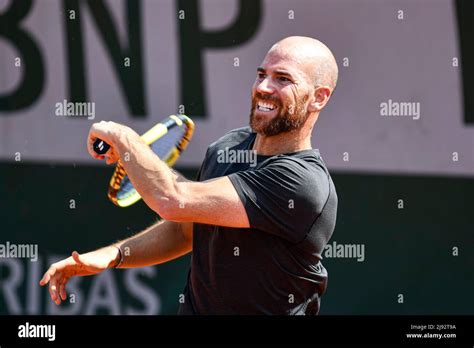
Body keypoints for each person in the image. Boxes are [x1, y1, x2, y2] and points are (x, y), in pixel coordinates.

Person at [40, 36, 339, 315]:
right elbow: (186, 228)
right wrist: (114, 254)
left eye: (283, 79)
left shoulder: (302, 184)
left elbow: (174, 198)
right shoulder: (228, 147)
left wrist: (123, 137)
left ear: (319, 97)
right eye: (261, 75)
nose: (263, 87)